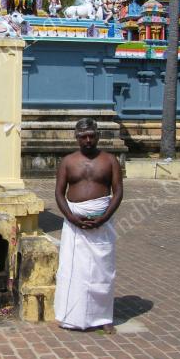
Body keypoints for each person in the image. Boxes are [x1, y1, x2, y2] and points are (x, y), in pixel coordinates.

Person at [54, 117, 123, 333]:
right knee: (74, 270)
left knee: (102, 271)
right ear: (76, 138)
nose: (88, 140)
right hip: (75, 221)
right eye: (83, 136)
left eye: (92, 135)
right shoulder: (68, 161)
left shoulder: (110, 160)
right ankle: (71, 315)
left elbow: (118, 191)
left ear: (98, 136)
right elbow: (59, 192)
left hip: (102, 221)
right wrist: (70, 217)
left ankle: (103, 317)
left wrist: (104, 217)